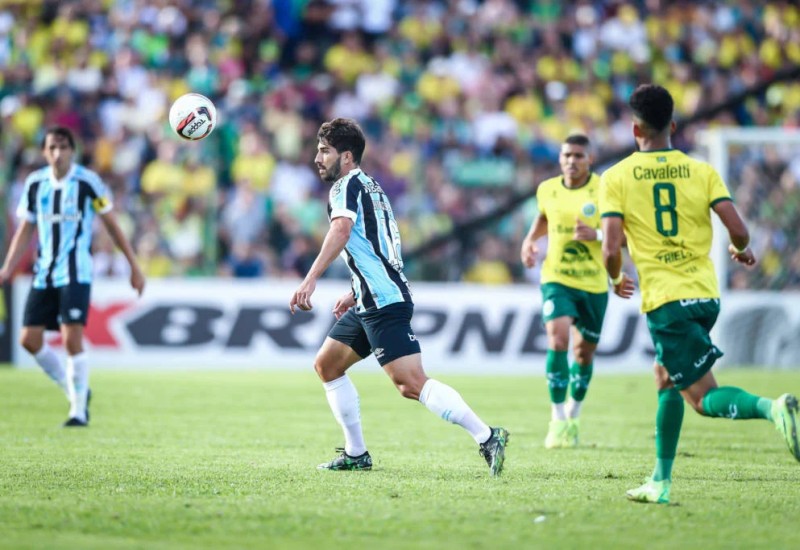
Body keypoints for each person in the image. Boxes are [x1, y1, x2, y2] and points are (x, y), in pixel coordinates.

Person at [599, 84, 799, 504]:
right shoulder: (701, 170)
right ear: (673, 125)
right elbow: (739, 229)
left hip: (666, 301)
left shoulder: (616, 177)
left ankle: (772, 408)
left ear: (635, 129)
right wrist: (741, 251)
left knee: (702, 398)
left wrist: (616, 279)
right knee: (665, 378)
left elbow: (611, 246)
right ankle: (660, 481)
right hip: (706, 295)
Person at [289, 118, 509, 476]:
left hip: (382, 300)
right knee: (327, 365)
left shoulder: (345, 187)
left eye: (324, 150)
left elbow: (341, 230)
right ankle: (356, 453)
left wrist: (310, 279)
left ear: (346, 157)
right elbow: (384, 248)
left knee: (410, 383)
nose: (317, 157)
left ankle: (487, 436)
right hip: (370, 297)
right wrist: (354, 289)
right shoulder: (372, 188)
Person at [0, 127, 145, 427]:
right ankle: (75, 390)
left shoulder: (87, 182)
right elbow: (26, 230)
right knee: (29, 340)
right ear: (44, 152)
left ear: (72, 151)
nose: (57, 153)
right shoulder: (35, 184)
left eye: (63, 147)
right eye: (52, 147)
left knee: (71, 337)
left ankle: (78, 410)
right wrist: (7, 268)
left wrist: (133, 265)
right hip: (45, 272)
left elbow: (112, 225)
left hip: (76, 271)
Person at [520, 134, 608, 449]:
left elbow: (626, 233)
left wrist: (597, 234)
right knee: (557, 338)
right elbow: (545, 216)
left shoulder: (605, 190)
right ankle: (557, 418)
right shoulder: (547, 189)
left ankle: (574, 412)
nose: (572, 161)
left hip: (594, 284)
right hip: (557, 278)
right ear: (560, 158)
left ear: (590, 160)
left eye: (579, 156)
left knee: (583, 353)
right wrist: (530, 240)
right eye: (567, 155)